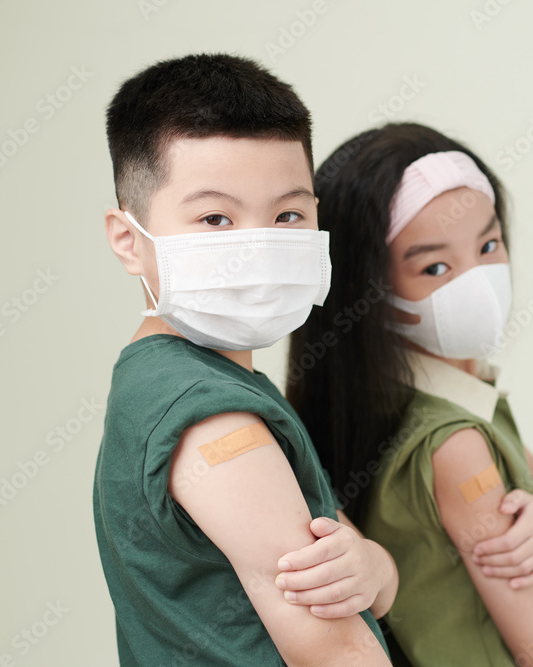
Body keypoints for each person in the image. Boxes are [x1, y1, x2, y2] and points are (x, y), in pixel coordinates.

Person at [288, 123, 533, 666]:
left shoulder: (415, 399)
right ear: (366, 288)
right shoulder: (455, 445)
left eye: (488, 244)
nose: (477, 279)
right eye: (434, 266)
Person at [93, 53, 395, 666]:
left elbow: (352, 558)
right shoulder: (210, 419)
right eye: (215, 218)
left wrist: (374, 568)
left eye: (287, 215)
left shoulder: (204, 381)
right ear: (129, 241)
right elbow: (337, 652)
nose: (256, 248)